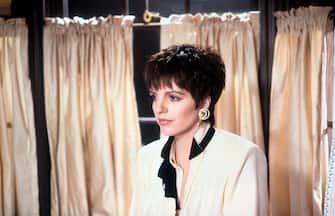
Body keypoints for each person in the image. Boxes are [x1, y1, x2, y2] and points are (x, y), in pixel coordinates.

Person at [130, 44, 268, 216]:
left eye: (173, 97)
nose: (159, 108)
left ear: (203, 102)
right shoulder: (146, 157)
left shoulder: (243, 156)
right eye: (154, 96)